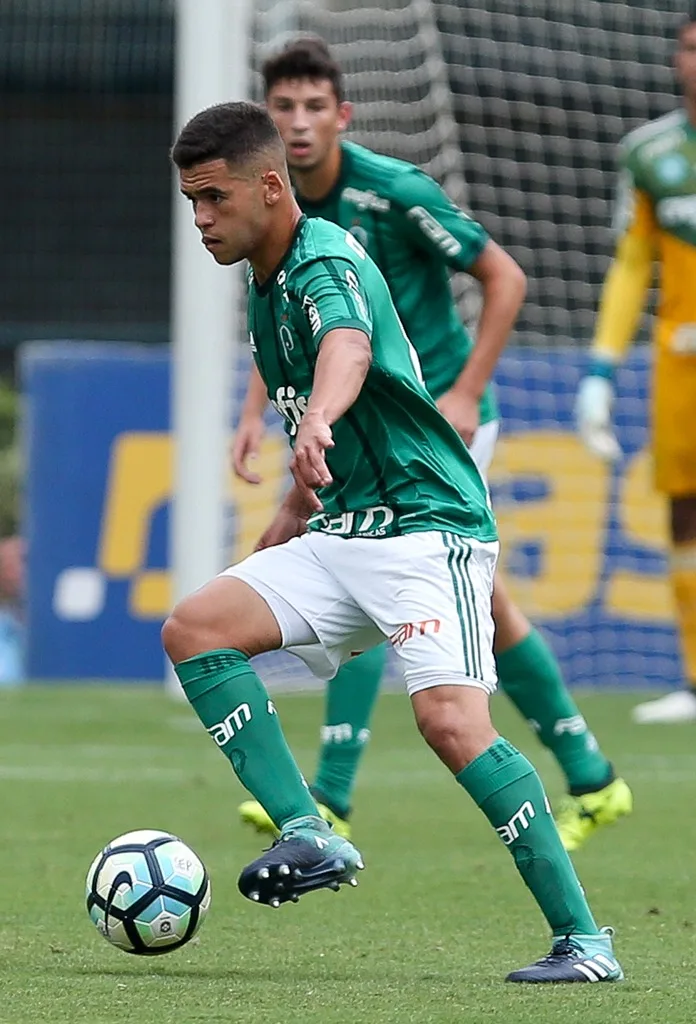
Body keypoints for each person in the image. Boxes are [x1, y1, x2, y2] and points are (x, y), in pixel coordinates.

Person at [167, 100, 623, 982]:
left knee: (450, 723)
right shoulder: (262, 289)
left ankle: (586, 943)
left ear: (269, 186)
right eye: (192, 202)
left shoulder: (325, 256)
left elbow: (346, 343)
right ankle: (309, 831)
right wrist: (287, 518)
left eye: (214, 199)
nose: (201, 219)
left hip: (427, 527)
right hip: (342, 531)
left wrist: (322, 417)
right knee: (196, 627)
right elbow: (315, 410)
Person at [232, 37, 632, 850]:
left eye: (315, 107)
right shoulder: (281, 217)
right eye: (284, 108)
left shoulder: (392, 191)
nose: (300, 123)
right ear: (267, 126)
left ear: (343, 114)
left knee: (368, 570)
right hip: (364, 424)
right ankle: (591, 775)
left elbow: (505, 277)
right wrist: (252, 412)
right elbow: (293, 327)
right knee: (478, 602)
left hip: (435, 426)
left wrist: (465, 391)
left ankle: (333, 794)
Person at [576, 10, 696, 724]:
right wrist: (600, 369)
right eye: (689, 45)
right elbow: (630, 266)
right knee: (685, 513)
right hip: (679, 364)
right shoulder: (649, 154)